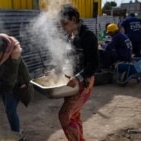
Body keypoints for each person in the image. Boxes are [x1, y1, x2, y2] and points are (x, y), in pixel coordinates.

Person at [0, 32, 32, 138]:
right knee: (7, 108)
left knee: (10, 111)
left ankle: (16, 136)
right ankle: (15, 132)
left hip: (16, 84)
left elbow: (8, 85)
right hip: (2, 81)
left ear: (3, 52)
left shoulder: (13, 56)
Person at [58, 5, 99, 141]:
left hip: (84, 81)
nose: (63, 27)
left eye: (65, 23)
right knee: (74, 116)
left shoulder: (88, 36)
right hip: (73, 81)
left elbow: (94, 65)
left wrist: (78, 77)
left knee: (64, 116)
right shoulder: (71, 36)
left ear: (74, 19)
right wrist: (55, 71)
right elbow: (68, 60)